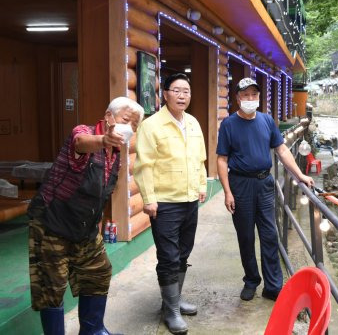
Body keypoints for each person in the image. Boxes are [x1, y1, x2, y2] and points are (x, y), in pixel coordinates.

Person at [27, 97, 144, 335]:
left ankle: (93, 331)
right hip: (52, 223)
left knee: (99, 272)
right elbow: (80, 142)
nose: (130, 128)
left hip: (85, 229)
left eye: (134, 125)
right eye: (126, 120)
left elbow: (99, 196)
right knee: (52, 286)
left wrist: (97, 228)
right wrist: (103, 140)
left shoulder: (116, 155)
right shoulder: (85, 133)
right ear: (108, 117)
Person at [216, 77, 314, 302]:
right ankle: (251, 280)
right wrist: (228, 191)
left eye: (254, 95)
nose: (250, 99)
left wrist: (299, 175)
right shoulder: (229, 124)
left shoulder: (267, 121)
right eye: (245, 95)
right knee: (246, 236)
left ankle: (273, 286)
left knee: (270, 234)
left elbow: (281, 149)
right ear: (238, 97)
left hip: (264, 183)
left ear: (259, 98)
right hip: (240, 184)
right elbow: (222, 159)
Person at [133, 73, 207, 335]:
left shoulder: (194, 123)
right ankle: (171, 311)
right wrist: (149, 198)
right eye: (176, 90)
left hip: (189, 200)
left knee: (184, 252)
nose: (182, 95)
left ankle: (173, 301)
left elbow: (199, 160)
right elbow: (143, 166)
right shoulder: (151, 125)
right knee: (168, 256)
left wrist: (201, 185)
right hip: (164, 203)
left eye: (186, 91)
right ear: (165, 94)